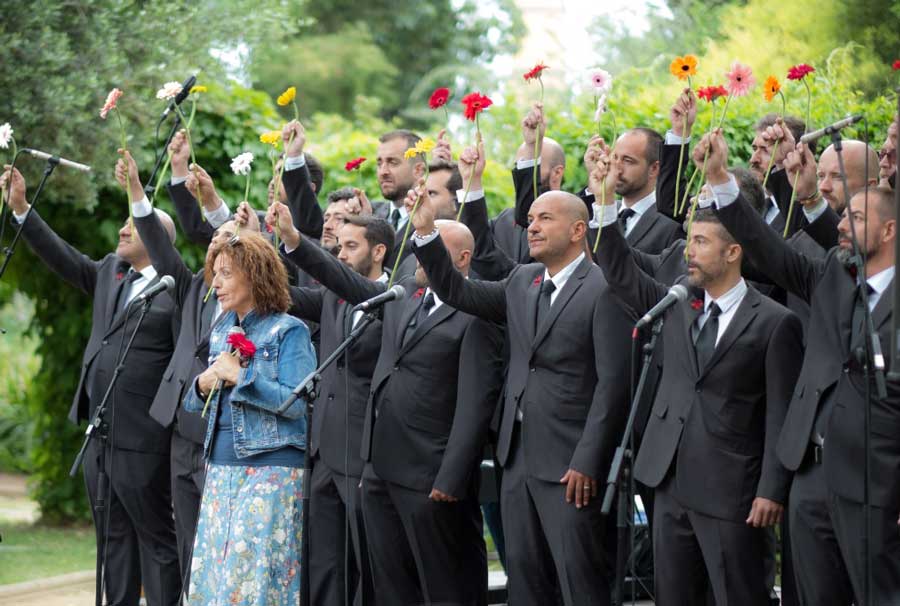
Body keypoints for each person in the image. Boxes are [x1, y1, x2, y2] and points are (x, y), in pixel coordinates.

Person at [410, 137, 634, 606]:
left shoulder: (605, 289)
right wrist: (428, 235)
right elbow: (458, 292)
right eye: (529, 220)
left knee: (580, 585)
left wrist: (588, 461)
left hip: (572, 467)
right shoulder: (521, 281)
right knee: (526, 584)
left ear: (578, 230)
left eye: (544, 219)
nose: (530, 227)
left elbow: (614, 386)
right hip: (518, 462)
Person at [591, 135, 804, 606]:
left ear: (733, 253)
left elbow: (779, 415)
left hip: (735, 494)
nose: (688, 251)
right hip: (669, 484)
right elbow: (620, 270)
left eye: (701, 242)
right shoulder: (677, 302)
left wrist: (772, 490)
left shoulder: (775, 322)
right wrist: (603, 203)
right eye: (689, 240)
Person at [269, 202, 504, 605]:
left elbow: (474, 405)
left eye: (432, 246)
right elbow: (344, 281)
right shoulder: (406, 294)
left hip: (433, 477)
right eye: (417, 244)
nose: (418, 254)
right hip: (381, 470)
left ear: (463, 258)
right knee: (392, 586)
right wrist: (294, 241)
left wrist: (451, 477)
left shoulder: (477, 315)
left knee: (446, 584)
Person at [714, 130, 900, 605]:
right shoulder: (830, 274)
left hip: (874, 480)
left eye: (855, 218)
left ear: (889, 231)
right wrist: (719, 180)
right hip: (810, 472)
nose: (842, 226)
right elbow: (766, 246)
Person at [1, 164, 182, 606]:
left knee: (155, 538)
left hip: (144, 439)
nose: (123, 229)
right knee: (112, 537)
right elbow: (63, 257)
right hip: (99, 433)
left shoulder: (176, 290)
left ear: (157, 240)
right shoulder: (109, 273)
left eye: (134, 225)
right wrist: (23, 209)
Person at [115, 149, 259, 594]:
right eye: (216, 244)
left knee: (220, 543)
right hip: (183, 429)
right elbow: (157, 241)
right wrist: (137, 189)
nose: (218, 250)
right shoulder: (193, 285)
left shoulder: (259, 303)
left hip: (227, 439)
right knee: (186, 542)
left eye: (230, 245)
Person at [182, 232, 317, 605]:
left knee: (252, 577)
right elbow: (193, 405)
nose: (217, 283)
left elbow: (296, 404)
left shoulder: (290, 330)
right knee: (214, 578)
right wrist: (203, 383)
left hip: (271, 469)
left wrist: (242, 378)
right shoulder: (223, 330)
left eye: (225, 273)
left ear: (254, 274)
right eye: (215, 274)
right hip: (221, 469)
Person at [289, 213, 394, 606]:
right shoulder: (333, 297)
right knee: (324, 561)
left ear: (379, 251)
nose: (341, 254)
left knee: (368, 561)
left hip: (365, 452)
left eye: (352, 246)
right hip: (323, 450)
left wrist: (295, 238)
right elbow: (291, 297)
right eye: (339, 246)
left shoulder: (394, 298)